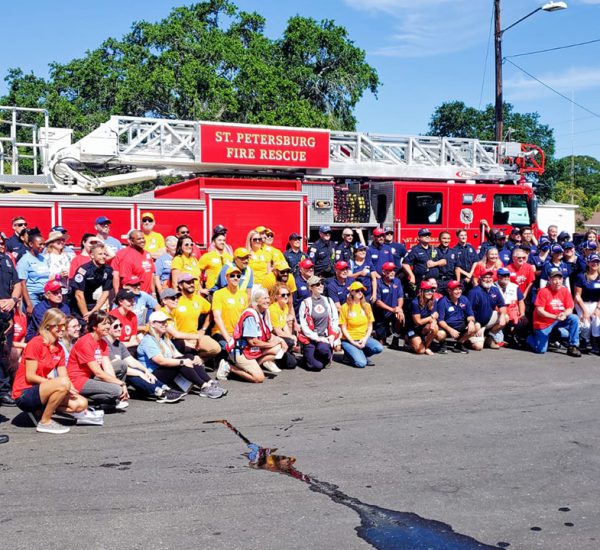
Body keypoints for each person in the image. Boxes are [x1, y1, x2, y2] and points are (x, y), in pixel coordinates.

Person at [12, 309, 88, 434]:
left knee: (81, 403)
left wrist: (72, 390)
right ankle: (45, 422)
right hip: (24, 393)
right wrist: (56, 383)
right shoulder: (36, 343)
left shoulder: (59, 349)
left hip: (42, 389)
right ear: (49, 325)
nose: (63, 329)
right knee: (62, 383)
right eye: (59, 325)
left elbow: (64, 375)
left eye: (64, 325)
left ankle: (42, 411)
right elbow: (30, 376)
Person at [136, 311, 224, 399]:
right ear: (152, 324)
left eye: (165, 322)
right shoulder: (148, 340)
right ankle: (204, 386)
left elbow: (177, 354)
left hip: (164, 371)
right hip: (153, 376)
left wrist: (192, 359)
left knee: (189, 357)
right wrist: (183, 361)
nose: (164, 324)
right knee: (181, 363)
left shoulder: (164, 338)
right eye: (161, 322)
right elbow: (161, 361)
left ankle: (209, 382)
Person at [105, 315, 184, 403]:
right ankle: (160, 393)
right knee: (131, 372)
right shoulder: (104, 344)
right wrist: (139, 373)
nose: (119, 329)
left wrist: (146, 371)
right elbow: (117, 367)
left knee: (137, 369)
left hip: (119, 375)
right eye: (116, 326)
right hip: (107, 377)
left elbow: (131, 360)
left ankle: (164, 388)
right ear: (108, 328)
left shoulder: (119, 343)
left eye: (121, 325)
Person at [67, 311, 130, 408]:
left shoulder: (102, 342)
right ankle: (86, 399)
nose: (108, 326)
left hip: (90, 376)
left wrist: (117, 383)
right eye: (104, 324)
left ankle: (113, 400)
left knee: (121, 365)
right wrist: (120, 384)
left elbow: (107, 367)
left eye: (108, 323)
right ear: (94, 327)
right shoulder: (85, 342)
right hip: (77, 380)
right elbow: (98, 372)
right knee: (116, 390)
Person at [230, 287, 288, 381]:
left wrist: (281, 340)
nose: (268, 301)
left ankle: (253, 367)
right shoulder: (250, 315)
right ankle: (229, 367)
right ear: (256, 301)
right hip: (241, 350)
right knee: (259, 378)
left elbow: (268, 334)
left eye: (268, 298)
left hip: (252, 349)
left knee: (279, 348)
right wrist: (271, 344)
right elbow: (253, 342)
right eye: (264, 298)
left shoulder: (264, 312)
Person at [527, 268, 581, 357]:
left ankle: (573, 346)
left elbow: (570, 308)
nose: (557, 282)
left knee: (574, 318)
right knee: (541, 350)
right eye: (554, 279)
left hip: (558, 321)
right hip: (544, 323)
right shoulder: (543, 291)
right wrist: (555, 317)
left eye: (559, 279)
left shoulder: (565, 291)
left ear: (562, 280)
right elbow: (539, 311)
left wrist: (564, 314)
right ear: (549, 280)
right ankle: (529, 338)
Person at [211, 266, 250, 380]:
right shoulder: (219, 294)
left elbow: (245, 317)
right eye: (232, 275)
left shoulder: (243, 294)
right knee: (230, 349)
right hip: (221, 333)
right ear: (226, 277)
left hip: (238, 334)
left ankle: (232, 366)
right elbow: (217, 317)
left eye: (238, 276)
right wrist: (227, 337)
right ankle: (227, 366)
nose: (235, 278)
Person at [170, 274, 221, 359]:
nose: (192, 284)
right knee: (188, 358)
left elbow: (211, 311)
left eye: (193, 282)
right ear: (180, 285)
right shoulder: (174, 300)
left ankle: (199, 359)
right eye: (188, 282)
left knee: (216, 348)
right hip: (179, 339)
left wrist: (203, 329)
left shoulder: (198, 299)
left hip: (195, 336)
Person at [298, 276, 339, 371]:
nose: (321, 286)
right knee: (316, 366)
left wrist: (332, 335)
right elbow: (304, 325)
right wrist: (316, 338)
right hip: (311, 338)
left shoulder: (328, 301)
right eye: (317, 284)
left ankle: (327, 356)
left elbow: (335, 319)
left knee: (323, 350)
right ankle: (308, 356)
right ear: (310, 287)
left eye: (321, 284)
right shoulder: (305, 303)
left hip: (325, 337)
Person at [0, 234, 22, 406]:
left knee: (4, 353)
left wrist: (13, 300)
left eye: (2, 243)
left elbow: (17, 284)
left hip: (6, 313)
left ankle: (3, 390)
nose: (1, 245)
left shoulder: (7, 260)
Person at [338, 281, 383, 367]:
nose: (360, 292)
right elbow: (343, 328)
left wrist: (365, 339)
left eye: (361, 290)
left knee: (378, 348)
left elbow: (370, 326)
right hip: (349, 340)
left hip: (363, 337)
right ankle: (348, 355)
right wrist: (353, 342)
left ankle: (362, 355)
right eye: (357, 290)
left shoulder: (367, 306)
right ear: (351, 292)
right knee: (361, 364)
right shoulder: (345, 307)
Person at [70, 243, 112, 320]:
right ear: (92, 255)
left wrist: (93, 312)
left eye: (105, 254)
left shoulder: (108, 270)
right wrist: (86, 316)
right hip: (76, 303)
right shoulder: (83, 270)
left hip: (91, 302)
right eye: (100, 254)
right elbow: (78, 295)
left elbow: (106, 292)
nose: (103, 256)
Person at [436, 280, 480, 354]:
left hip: (460, 325)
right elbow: (440, 320)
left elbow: (470, 315)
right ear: (449, 291)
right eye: (455, 289)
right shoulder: (442, 301)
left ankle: (459, 344)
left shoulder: (464, 299)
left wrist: (471, 322)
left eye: (459, 289)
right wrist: (450, 330)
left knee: (476, 326)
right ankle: (442, 344)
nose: (458, 291)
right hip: (446, 326)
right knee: (440, 334)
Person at [467, 271, 507, 350]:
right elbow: (468, 311)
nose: (488, 280)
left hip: (488, 320)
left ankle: (489, 339)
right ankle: (466, 340)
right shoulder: (474, 292)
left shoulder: (495, 290)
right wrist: (475, 324)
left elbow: (502, 305)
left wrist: (502, 316)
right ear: (480, 278)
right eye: (485, 277)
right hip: (476, 323)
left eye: (490, 277)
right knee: (478, 347)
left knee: (505, 317)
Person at [406, 281, 446, 355]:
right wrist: (431, 317)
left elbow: (435, 316)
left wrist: (433, 323)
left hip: (424, 328)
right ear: (421, 291)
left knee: (437, 330)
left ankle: (426, 346)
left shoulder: (433, 301)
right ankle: (409, 341)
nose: (430, 292)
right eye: (427, 290)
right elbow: (418, 322)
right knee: (420, 351)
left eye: (431, 290)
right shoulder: (415, 303)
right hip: (413, 328)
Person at [112, 230, 155, 295]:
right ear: (131, 241)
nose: (142, 240)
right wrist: (119, 295)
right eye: (139, 239)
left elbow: (151, 275)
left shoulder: (147, 254)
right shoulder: (126, 256)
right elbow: (124, 280)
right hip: (134, 296)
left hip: (147, 295)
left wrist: (153, 292)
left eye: (143, 238)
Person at [17, 231, 50, 313]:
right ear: (31, 244)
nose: (42, 247)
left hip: (45, 295)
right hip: (32, 296)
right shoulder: (24, 260)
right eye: (40, 244)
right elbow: (22, 284)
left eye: (44, 244)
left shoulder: (43, 258)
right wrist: (29, 304)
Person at [373, 262, 405, 347]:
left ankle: (396, 338)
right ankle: (378, 335)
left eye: (393, 270)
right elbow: (378, 302)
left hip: (394, 311)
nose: (392, 272)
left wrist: (399, 308)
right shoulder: (378, 283)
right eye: (389, 270)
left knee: (400, 316)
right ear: (383, 272)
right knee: (381, 343)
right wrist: (392, 310)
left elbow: (400, 297)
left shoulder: (397, 281)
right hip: (381, 314)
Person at [574, 253, 600, 354]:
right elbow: (577, 296)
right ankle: (584, 341)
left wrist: (598, 308)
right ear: (588, 263)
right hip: (582, 303)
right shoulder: (581, 276)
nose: (595, 263)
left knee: (597, 319)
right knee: (586, 322)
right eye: (592, 261)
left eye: (597, 261)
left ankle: (595, 344)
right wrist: (585, 311)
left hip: (595, 303)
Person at [268, 283, 299, 369]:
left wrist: (291, 336)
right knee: (290, 341)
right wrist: (291, 337)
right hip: (271, 337)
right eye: (283, 295)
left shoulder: (285, 306)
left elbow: (284, 324)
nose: (286, 297)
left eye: (288, 294)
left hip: (280, 337)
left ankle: (282, 356)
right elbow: (277, 332)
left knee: (292, 364)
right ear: (276, 296)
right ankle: (271, 359)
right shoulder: (272, 309)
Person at [495, 267, 527, 346]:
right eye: (503, 275)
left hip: (512, 310)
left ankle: (513, 336)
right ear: (498, 276)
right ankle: (497, 337)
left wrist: (522, 314)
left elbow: (521, 301)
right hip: (498, 311)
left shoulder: (514, 286)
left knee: (523, 321)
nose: (506, 277)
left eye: (507, 275)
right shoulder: (493, 286)